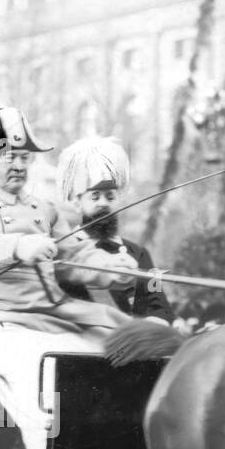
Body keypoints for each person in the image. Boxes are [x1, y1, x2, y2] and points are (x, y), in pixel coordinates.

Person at [0, 106, 139, 449]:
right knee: (43, 371)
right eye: (10, 156)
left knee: (116, 357)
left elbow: (76, 257)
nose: (18, 165)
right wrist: (17, 246)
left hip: (47, 315)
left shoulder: (43, 208)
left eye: (24, 158)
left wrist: (115, 270)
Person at [56, 136, 174, 324]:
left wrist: (154, 324)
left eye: (110, 197)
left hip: (132, 345)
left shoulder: (139, 254)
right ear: (78, 202)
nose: (103, 203)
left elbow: (158, 307)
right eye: (95, 197)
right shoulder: (65, 251)